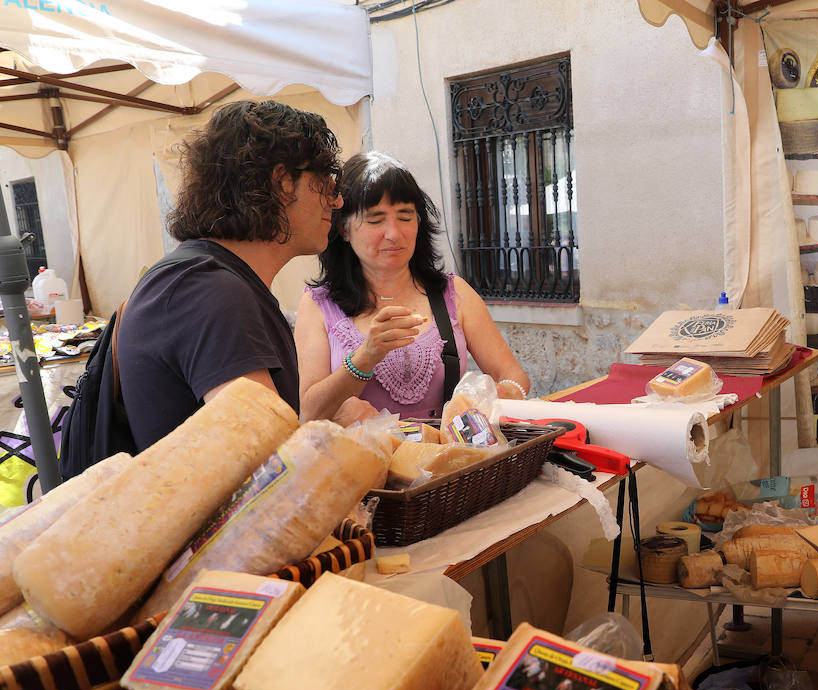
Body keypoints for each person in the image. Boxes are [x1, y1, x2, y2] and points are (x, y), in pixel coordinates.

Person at [118, 101, 343, 450]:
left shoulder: (211, 280)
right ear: (283, 182)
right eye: (327, 181)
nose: (337, 200)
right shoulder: (210, 293)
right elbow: (271, 468)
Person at [296, 152, 529, 422]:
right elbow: (310, 412)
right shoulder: (319, 306)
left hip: (446, 461)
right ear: (344, 228)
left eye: (405, 217)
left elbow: (515, 377)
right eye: (375, 219)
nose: (394, 234)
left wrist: (490, 398)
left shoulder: (453, 294)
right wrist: (364, 358)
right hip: (363, 462)